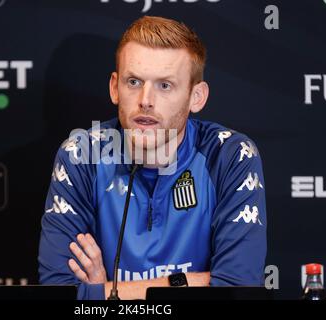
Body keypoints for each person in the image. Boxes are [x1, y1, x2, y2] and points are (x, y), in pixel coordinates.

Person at [38, 15, 267, 300]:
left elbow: (237, 290)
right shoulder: (81, 155)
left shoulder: (230, 155)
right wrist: (197, 284)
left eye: (165, 85)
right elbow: (58, 291)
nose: (145, 99)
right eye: (133, 81)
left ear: (196, 97)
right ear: (114, 87)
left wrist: (107, 293)